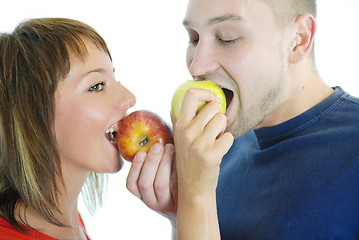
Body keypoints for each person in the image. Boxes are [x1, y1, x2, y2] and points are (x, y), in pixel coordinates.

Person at [127, 0, 359, 239]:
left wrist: (196, 193)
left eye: (228, 38)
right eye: (194, 38)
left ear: (298, 39)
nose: (197, 65)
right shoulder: (213, 148)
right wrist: (181, 214)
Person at [0, 18, 225, 240]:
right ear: (30, 116)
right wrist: (197, 194)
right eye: (96, 86)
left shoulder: (66, 221)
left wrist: (180, 217)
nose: (129, 98)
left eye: (114, 77)